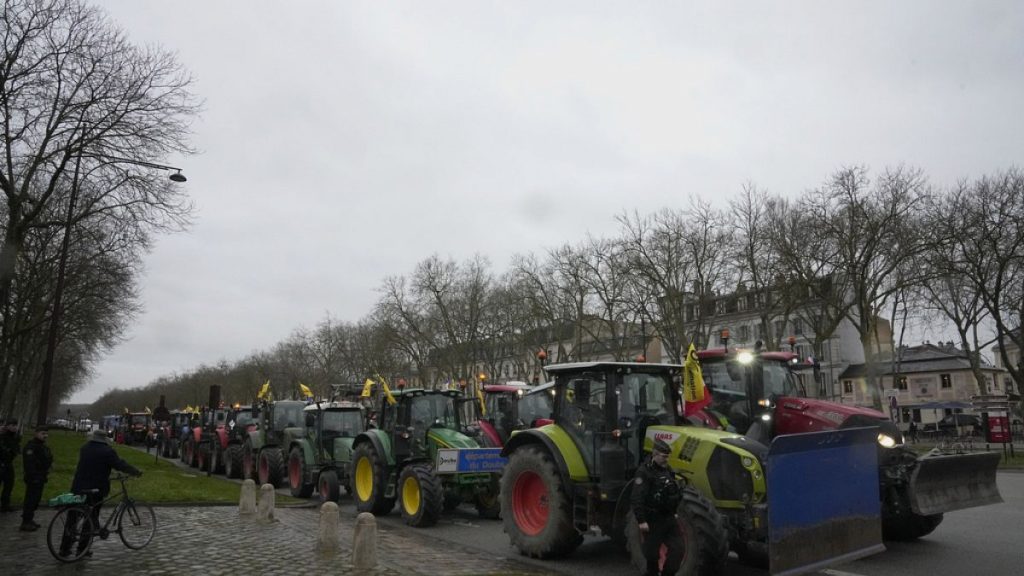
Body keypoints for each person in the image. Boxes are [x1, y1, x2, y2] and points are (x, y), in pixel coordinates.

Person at [60, 429, 142, 557]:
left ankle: (64, 549)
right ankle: (82, 550)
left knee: (73, 518)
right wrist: (135, 471)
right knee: (90, 519)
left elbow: (92, 465)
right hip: (95, 489)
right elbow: (119, 464)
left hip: (78, 486)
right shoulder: (107, 451)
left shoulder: (85, 448)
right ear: (104, 439)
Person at [631, 438, 683, 576]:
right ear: (655, 454)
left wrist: (675, 511)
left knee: (678, 549)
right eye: (664, 457)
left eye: (668, 457)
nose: (666, 460)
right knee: (652, 557)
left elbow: (672, 492)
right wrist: (641, 520)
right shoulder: (644, 472)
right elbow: (637, 497)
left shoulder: (667, 470)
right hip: (653, 520)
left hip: (669, 518)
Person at [21, 425, 53, 531]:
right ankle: (25, 521)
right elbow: (29, 464)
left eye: (46, 434)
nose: (45, 436)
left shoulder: (43, 447)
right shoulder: (31, 447)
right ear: (36, 433)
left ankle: (30, 519)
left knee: (36, 500)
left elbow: (47, 459)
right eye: (43, 433)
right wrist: (33, 476)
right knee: (30, 499)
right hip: (34, 477)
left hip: (41, 476)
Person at [0, 418, 21, 513]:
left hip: (8, 464)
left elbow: (16, 448)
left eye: (16, 425)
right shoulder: (2, 436)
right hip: (1, 463)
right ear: (7, 426)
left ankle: (5, 505)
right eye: (13, 425)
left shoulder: (15, 437)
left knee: (9, 485)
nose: (15, 427)